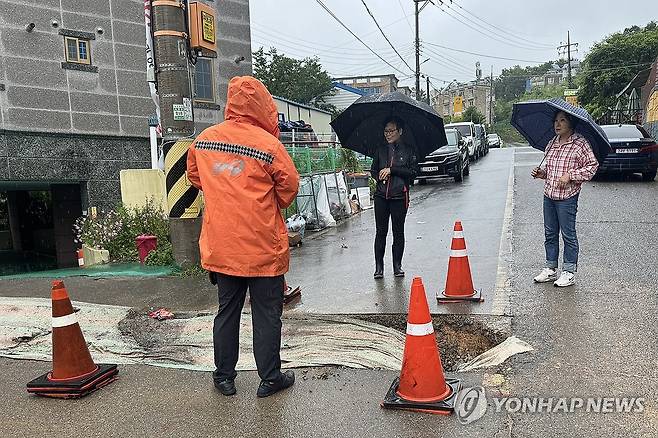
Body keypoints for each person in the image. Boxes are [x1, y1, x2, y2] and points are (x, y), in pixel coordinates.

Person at [187, 76, 300, 397]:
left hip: (222, 247)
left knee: (227, 312)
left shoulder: (205, 141)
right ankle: (270, 378)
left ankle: (224, 377)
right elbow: (289, 186)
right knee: (267, 314)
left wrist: (222, 190)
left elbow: (195, 176)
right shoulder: (269, 145)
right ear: (263, 106)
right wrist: (266, 203)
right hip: (262, 246)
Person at [531, 110, 598, 287]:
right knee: (550, 234)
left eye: (562, 120)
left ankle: (568, 271)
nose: (557, 124)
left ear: (571, 123)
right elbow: (551, 171)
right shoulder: (552, 143)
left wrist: (570, 175)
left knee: (568, 235)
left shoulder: (580, 144)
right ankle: (550, 269)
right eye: (555, 121)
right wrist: (541, 174)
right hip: (549, 196)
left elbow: (592, 167)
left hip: (567, 197)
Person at [370, 116, 418, 279]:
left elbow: (412, 173)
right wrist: (379, 177)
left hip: (399, 196)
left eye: (391, 131)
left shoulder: (408, 150)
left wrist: (393, 170)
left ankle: (397, 266)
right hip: (381, 196)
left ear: (400, 131)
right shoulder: (380, 150)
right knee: (380, 232)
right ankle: (379, 267)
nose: (388, 134)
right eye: (386, 131)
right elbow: (373, 171)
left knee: (398, 232)